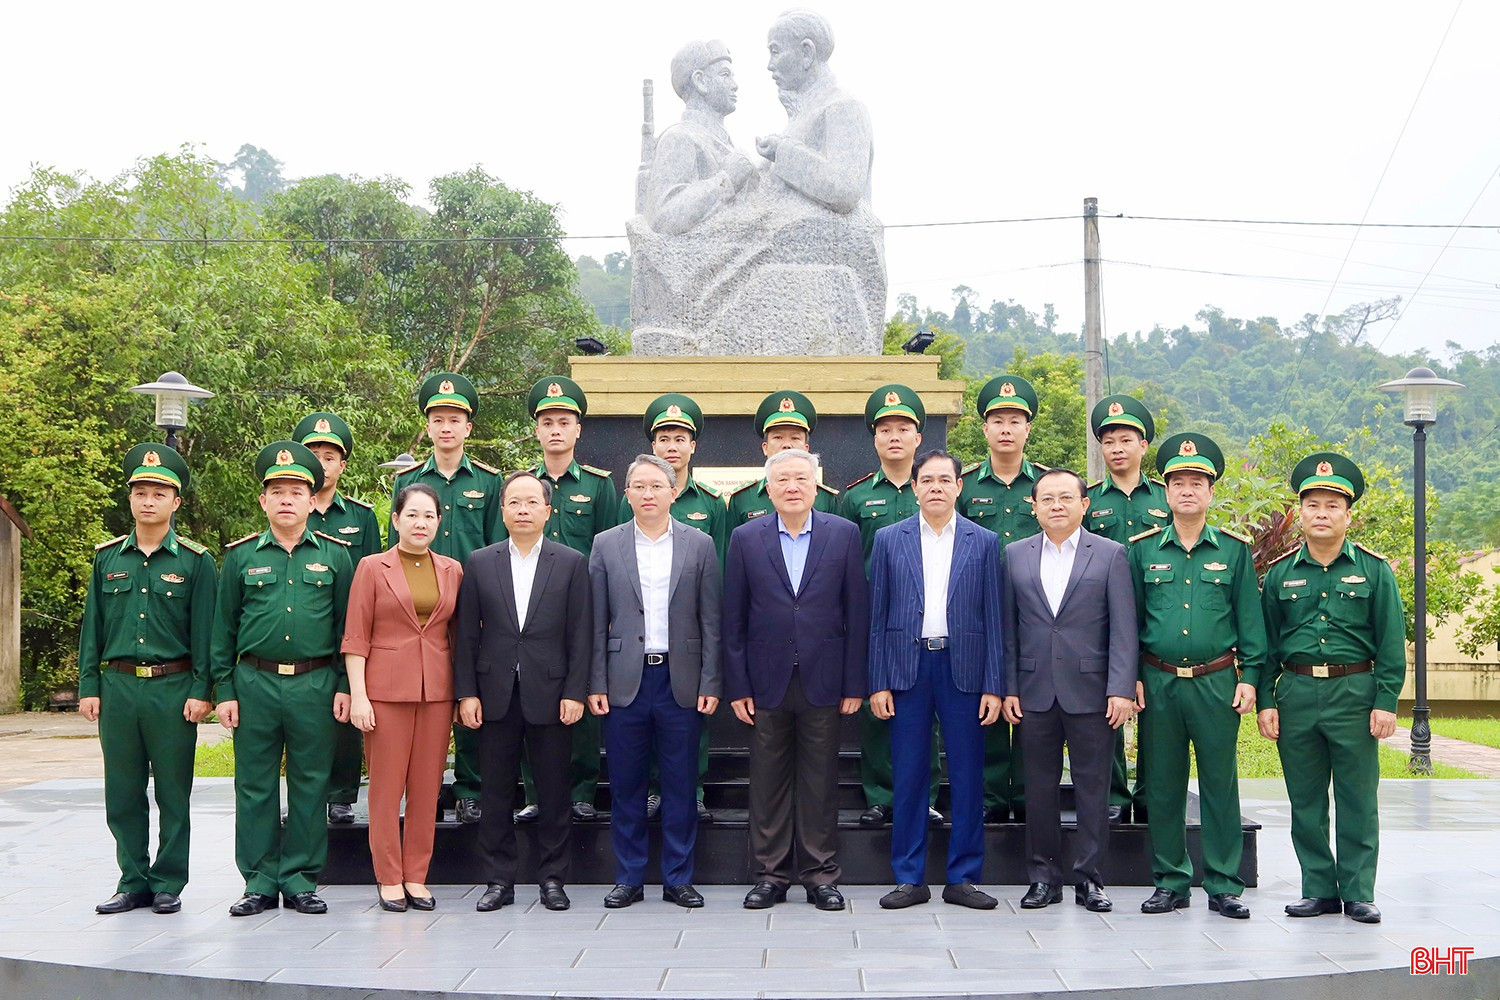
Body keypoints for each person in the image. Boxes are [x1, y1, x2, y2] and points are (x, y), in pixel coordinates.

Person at [1259, 452, 1404, 925]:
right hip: (1297, 693)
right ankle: (1318, 888)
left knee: (1358, 797)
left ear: (1348, 514)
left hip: (1355, 693)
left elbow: (1390, 642)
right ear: (1299, 513)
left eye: (1331, 506)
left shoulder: (1375, 570)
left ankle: (1359, 889)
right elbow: (1265, 645)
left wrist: (1385, 701)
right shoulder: (1280, 573)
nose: (1321, 513)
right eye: (1312, 505)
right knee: (1305, 799)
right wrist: (1265, 701)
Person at [723, 449, 868, 911]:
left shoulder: (843, 534)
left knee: (820, 780)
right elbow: (734, 618)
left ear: (815, 485)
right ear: (768, 488)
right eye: (782, 479)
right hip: (765, 681)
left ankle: (821, 874)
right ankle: (770, 875)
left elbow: (856, 613)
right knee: (767, 781)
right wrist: (738, 686)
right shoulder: (746, 537)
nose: (792, 486)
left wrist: (853, 683)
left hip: (824, 678)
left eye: (801, 479)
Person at [213, 441, 354, 916]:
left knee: (311, 783)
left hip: (315, 684)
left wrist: (344, 685)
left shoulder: (336, 558)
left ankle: (300, 878)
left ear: (313, 500)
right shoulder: (239, 558)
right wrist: (224, 690)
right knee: (253, 785)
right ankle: (258, 880)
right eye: (277, 491)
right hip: (254, 682)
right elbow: (223, 630)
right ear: (263, 501)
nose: (287, 499)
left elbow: (346, 630)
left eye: (297, 490)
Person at [1128, 433, 1265, 919]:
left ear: (1210, 492)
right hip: (1158, 681)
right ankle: (1170, 881)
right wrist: (1131, 677)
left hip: (1216, 681)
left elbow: (1250, 622)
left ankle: (1225, 883)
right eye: (1178, 482)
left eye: (1197, 482)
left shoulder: (1233, 551)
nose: (1187, 490)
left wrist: (1250, 678)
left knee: (1219, 784)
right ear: (1165, 492)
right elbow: (1131, 623)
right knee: (1162, 785)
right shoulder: (1142, 550)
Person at [79, 443, 217, 915]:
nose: (148, 500)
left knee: (174, 791)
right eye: (140, 491)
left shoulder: (196, 562)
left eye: (159, 492)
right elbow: (92, 627)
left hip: (172, 688)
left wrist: (204, 690)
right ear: (131, 498)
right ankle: (131, 879)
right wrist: (88, 686)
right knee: (122, 791)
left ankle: (168, 881)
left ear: (175, 502)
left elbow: (206, 635)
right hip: (117, 687)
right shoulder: (107, 559)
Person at [867, 450, 1004, 910]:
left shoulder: (984, 541)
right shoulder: (889, 539)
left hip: (962, 668)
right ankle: (909, 876)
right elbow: (877, 614)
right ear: (915, 487)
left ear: (959, 486)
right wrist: (878, 680)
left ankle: (963, 877)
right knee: (908, 774)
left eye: (945, 480)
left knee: (967, 775)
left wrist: (994, 684)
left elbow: (995, 617)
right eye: (927, 480)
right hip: (907, 669)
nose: (936, 488)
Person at [1001, 468, 1137, 912]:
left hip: (1093, 691)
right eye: (1047, 498)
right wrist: (1009, 687)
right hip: (1034, 689)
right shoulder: (1015, 554)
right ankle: (1043, 877)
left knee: (1092, 788)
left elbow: (1123, 629)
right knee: (1037, 788)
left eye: (1066, 497)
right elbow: (1008, 630)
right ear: (1033, 506)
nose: (1056, 505)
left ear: (1085, 504)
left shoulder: (1111, 554)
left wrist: (1120, 687)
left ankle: (1089, 878)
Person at [589, 455, 722, 908]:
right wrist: (595, 683)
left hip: (679, 679)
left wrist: (710, 681)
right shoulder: (606, 545)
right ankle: (628, 877)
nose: (648, 494)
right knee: (626, 784)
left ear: (672, 492)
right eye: (639, 487)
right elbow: (595, 620)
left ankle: (678, 877)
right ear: (626, 494)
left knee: (680, 783)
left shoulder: (699, 544)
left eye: (656, 486)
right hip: (624, 678)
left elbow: (711, 620)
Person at [455, 471, 592, 912]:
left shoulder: (571, 562)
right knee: (496, 791)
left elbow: (581, 633)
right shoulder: (480, 562)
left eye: (532, 503)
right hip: (494, 692)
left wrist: (575, 691)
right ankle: (499, 880)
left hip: (552, 692)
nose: (523, 510)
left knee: (553, 791)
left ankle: (553, 878)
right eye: (514, 503)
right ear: (503, 511)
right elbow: (466, 636)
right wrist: (466, 693)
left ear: (548, 511)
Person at [340, 484, 463, 913]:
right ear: (395, 520)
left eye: (428, 516)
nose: (420, 523)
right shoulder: (373, 568)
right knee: (386, 791)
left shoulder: (451, 570)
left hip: (436, 693)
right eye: (412, 515)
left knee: (427, 790)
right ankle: (389, 877)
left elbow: (455, 635)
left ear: (438, 522)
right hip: (385, 694)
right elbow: (356, 637)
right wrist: (359, 696)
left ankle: (416, 875)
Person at [503, 375, 620, 824]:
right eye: (547, 422)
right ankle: (535, 791)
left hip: (584, 608)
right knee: (531, 697)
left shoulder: (598, 486)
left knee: (583, 695)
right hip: (529, 613)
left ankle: (583, 789)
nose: (555, 429)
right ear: (537, 430)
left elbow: (610, 550)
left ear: (578, 430)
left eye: (564, 422)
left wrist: (607, 611)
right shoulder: (518, 486)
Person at [389, 372, 502, 826]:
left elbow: (498, 546)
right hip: (419, 609)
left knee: (469, 695)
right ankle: (425, 787)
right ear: (429, 425)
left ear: (468, 427)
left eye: (455, 419)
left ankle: (470, 788)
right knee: (419, 698)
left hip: (472, 605)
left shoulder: (491, 482)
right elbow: (393, 548)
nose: (447, 427)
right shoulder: (408, 481)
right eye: (438, 419)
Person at [839, 384, 942, 829]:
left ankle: (926, 797)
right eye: (885, 430)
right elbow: (844, 559)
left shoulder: (935, 489)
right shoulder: (856, 497)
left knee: (930, 710)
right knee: (877, 708)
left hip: (930, 619)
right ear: (875, 439)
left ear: (918, 437)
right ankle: (881, 795)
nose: (894, 436)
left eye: (904, 428)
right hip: (877, 619)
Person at [960, 374, 1046, 823]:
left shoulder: (1048, 486)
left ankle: (1030, 795)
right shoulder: (965, 485)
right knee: (987, 699)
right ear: (985, 429)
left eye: (1015, 420)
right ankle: (992, 798)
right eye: (998, 420)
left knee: (1032, 702)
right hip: (978, 608)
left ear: (1028, 428)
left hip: (1039, 611)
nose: (1006, 428)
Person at [1085, 395, 1171, 824]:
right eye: (1109, 440)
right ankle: (1115, 792)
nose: (1117, 448)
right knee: (1110, 709)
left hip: (1159, 613)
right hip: (1102, 618)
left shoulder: (1166, 497)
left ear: (1143, 445)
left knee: (1156, 710)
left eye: (1126, 439)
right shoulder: (1087, 501)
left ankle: (1151, 792)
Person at [293, 411, 381, 826]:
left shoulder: (360, 517)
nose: (322, 463)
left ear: (342, 465)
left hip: (350, 623)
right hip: (303, 622)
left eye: (330, 456)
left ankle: (343, 793)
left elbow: (377, 572)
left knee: (345, 705)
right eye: (313, 454)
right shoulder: (291, 508)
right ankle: (310, 791)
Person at [642, 393, 725, 823]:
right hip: (644, 627)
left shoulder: (711, 503)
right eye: (663, 438)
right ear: (652, 446)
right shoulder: (637, 496)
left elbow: (718, 570)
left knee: (694, 716)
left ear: (693, 446)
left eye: (680, 438)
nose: (671, 446)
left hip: (690, 629)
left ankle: (692, 790)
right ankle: (655, 788)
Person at [642, 39, 756, 235]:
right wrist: (726, 180)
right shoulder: (679, 138)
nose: (735, 85)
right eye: (725, 75)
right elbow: (663, 220)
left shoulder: (738, 150)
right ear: (700, 81)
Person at [726, 390, 841, 528]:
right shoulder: (742, 499)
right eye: (778, 437)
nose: (787, 445)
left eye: (795, 438)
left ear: (806, 448)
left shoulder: (826, 498)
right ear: (765, 447)